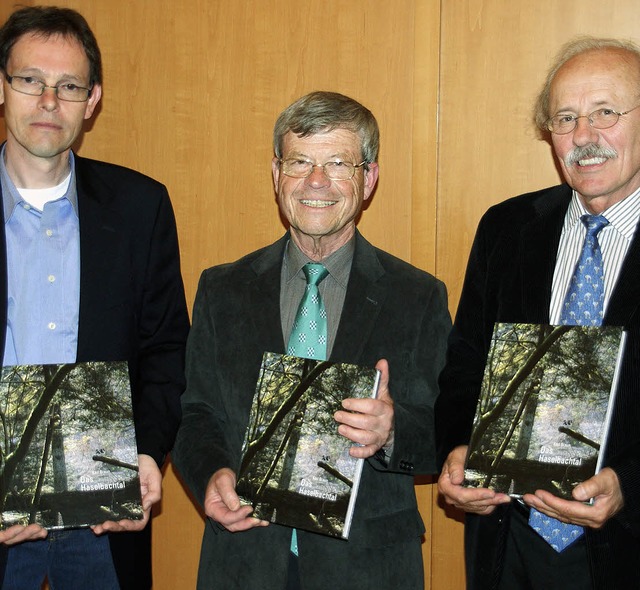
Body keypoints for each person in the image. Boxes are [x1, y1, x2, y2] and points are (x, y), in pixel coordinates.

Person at [172, 91, 451, 590]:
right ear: (277, 175)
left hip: (369, 568)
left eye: (338, 163)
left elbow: (448, 431)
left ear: (369, 179)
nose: (316, 182)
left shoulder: (418, 297)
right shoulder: (222, 290)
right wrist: (211, 475)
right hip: (243, 561)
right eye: (300, 162)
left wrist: (391, 431)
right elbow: (197, 414)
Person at [435, 36, 640, 590]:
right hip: (509, 541)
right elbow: (465, 367)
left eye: (606, 113)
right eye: (565, 118)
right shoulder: (507, 228)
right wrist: (458, 447)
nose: (584, 136)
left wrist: (632, 483)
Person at [0, 6, 189, 589]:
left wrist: (151, 454)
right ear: (2, 87)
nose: (50, 100)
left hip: (103, 517)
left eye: (70, 85)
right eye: (30, 80)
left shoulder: (141, 207)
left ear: (94, 98)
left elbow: (166, 350)